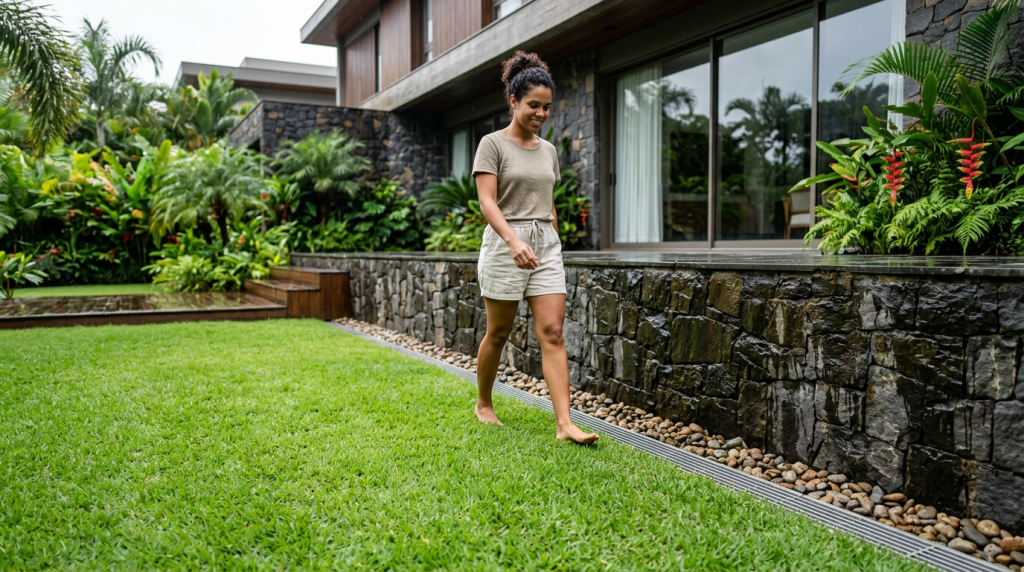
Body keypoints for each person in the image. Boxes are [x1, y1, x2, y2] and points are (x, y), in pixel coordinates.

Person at [471, 51, 599, 445]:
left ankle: (565, 425)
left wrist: (553, 243)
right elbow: (487, 202)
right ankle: (484, 403)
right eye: (533, 106)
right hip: (504, 242)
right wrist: (513, 241)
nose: (541, 114)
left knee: (553, 331)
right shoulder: (492, 145)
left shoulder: (549, 151)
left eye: (546, 107)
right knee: (499, 331)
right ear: (513, 101)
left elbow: (549, 200)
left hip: (545, 243)